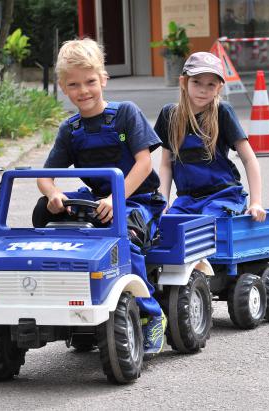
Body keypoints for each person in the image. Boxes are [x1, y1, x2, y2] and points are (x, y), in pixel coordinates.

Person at [32, 38, 167, 355]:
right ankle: (74, 300)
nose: (84, 91)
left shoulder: (126, 115)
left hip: (137, 200)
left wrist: (116, 199)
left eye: (90, 81)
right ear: (64, 89)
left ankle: (151, 313)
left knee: (126, 241)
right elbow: (45, 176)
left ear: (103, 79)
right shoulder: (71, 129)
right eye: (74, 85)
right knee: (46, 216)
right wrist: (52, 194)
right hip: (96, 199)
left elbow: (144, 162)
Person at [155, 52, 266, 222]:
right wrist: (163, 203)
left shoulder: (222, 112)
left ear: (219, 88)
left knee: (205, 226)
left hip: (223, 197)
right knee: (166, 228)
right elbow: (166, 165)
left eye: (211, 85)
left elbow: (249, 159)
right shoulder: (169, 115)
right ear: (183, 82)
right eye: (196, 82)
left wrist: (256, 202)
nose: (203, 90)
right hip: (187, 201)